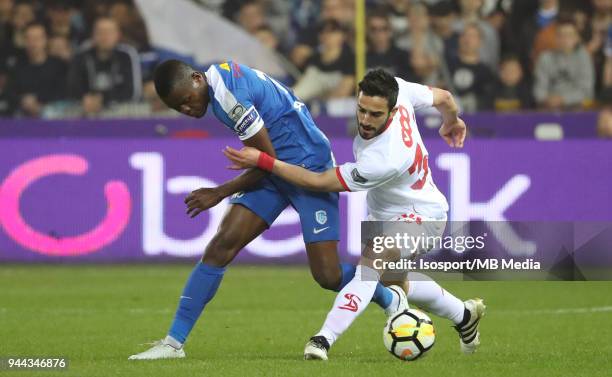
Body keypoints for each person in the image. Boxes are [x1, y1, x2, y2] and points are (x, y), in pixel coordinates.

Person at [128, 60, 403, 360]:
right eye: (177, 108)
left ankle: (390, 298)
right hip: (274, 170)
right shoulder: (218, 85)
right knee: (221, 245)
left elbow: (265, 161)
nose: (186, 110)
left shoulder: (229, 97)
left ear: (196, 78)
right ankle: (173, 343)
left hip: (308, 168)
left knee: (327, 275)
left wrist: (219, 192)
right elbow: (267, 162)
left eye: (186, 100)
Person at [223, 69, 486, 360]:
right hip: (384, 214)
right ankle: (464, 315)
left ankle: (323, 339)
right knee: (393, 282)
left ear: (392, 109)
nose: (365, 120)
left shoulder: (385, 159)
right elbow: (445, 97)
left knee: (371, 261)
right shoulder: (397, 87)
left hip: (423, 214)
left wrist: (263, 160)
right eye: (361, 110)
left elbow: (318, 181)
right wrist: (452, 120)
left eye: (375, 115)